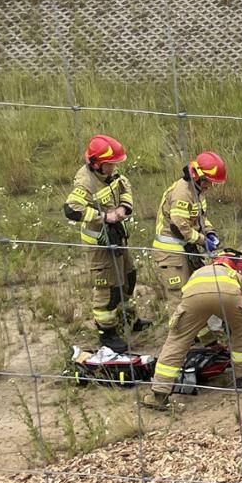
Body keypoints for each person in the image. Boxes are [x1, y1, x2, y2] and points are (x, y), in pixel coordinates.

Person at [140, 254, 242, 411]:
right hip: (229, 295)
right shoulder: (233, 274)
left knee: (177, 339)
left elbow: (193, 313)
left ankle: (159, 393)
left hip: (194, 298)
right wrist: (233, 327)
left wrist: (209, 341)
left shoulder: (198, 273)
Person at [65, 134, 147, 352]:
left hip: (116, 237)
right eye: (110, 165)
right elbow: (71, 209)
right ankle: (107, 334)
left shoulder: (111, 173)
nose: (114, 168)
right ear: (96, 163)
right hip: (99, 245)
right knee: (107, 290)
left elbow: (125, 188)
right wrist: (103, 217)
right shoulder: (85, 181)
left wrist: (122, 209)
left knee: (129, 277)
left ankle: (128, 319)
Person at [152, 151, 226, 307]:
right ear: (198, 176)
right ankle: (179, 331)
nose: (210, 186)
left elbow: (200, 218)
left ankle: (196, 329)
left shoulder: (197, 191)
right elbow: (181, 226)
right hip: (171, 253)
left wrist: (210, 232)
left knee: (194, 291)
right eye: (208, 181)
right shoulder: (183, 193)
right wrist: (203, 240)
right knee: (179, 298)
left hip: (185, 247)